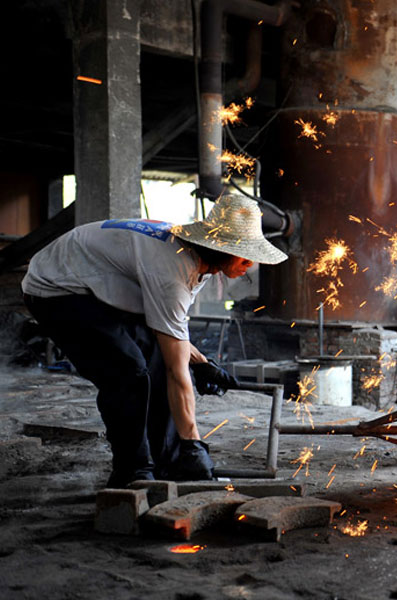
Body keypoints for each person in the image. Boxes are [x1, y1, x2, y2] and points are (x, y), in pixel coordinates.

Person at [22, 194, 287, 487]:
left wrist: (202, 363)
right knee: (127, 370)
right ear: (219, 247)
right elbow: (177, 371)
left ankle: (170, 462)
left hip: (98, 284)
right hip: (56, 288)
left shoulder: (199, 264)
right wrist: (194, 443)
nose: (249, 264)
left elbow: (172, 333)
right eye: (242, 254)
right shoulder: (172, 270)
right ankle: (132, 472)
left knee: (161, 359)